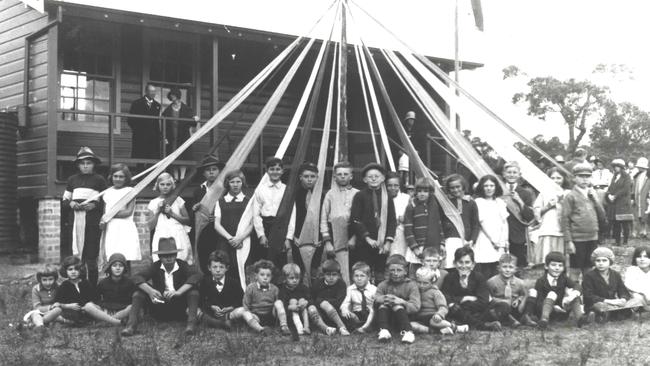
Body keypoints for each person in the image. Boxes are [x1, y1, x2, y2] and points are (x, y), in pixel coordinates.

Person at [121, 237, 202, 336]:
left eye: (171, 255)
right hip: (160, 308)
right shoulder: (156, 266)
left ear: (176, 255)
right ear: (159, 257)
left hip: (180, 307)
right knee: (139, 292)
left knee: (193, 291)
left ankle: (191, 325)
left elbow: (196, 276)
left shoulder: (182, 265)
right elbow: (137, 277)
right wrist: (150, 291)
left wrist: (179, 292)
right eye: (165, 256)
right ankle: (130, 326)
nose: (168, 258)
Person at [62, 147, 107, 286]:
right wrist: (71, 204)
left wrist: (95, 206)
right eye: (82, 163)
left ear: (94, 164)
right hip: (76, 223)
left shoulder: (99, 180)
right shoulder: (72, 180)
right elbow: (64, 201)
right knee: (77, 257)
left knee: (91, 258)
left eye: (89, 163)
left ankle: (92, 287)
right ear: (78, 165)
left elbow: (106, 201)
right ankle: (78, 286)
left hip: (92, 223)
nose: (85, 166)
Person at [350, 163, 397, 283]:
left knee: (380, 273)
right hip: (365, 243)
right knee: (365, 272)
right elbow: (356, 219)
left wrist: (388, 242)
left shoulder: (387, 197)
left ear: (382, 178)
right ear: (365, 179)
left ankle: (379, 297)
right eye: (370, 177)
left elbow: (392, 221)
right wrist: (367, 238)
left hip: (382, 244)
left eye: (377, 176)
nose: (374, 179)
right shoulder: (360, 196)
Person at [561, 163, 607, 282]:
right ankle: (572, 293)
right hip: (577, 239)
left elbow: (602, 215)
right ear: (574, 178)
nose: (585, 179)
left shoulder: (593, 194)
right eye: (581, 176)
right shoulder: (570, 196)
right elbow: (565, 220)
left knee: (590, 267)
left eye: (588, 176)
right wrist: (569, 241)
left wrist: (596, 200)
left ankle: (588, 292)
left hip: (592, 237)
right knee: (575, 269)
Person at [523, 251, 592, 328]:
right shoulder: (541, 281)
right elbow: (538, 302)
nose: (557, 268)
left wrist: (572, 296)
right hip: (545, 310)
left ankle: (580, 319)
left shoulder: (563, 278)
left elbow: (577, 286)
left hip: (561, 312)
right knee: (552, 293)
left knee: (574, 294)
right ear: (546, 266)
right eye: (553, 265)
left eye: (560, 266)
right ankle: (544, 320)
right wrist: (553, 307)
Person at [441, 247, 503, 331]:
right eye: (460, 262)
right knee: (454, 308)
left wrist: (464, 304)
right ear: (455, 263)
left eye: (467, 262)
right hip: (459, 310)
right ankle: (483, 325)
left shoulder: (478, 277)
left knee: (503, 306)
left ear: (473, 264)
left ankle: (467, 322)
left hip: (475, 310)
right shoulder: (450, 277)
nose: (463, 266)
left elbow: (483, 301)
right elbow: (446, 298)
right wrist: (464, 298)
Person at [251, 157, 295, 266]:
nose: (275, 172)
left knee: (279, 263)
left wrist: (288, 238)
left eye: (278, 169)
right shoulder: (260, 189)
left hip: (281, 228)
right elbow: (256, 214)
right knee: (263, 263)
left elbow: (292, 216)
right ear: (267, 171)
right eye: (272, 169)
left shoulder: (287, 190)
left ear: (282, 171)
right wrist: (261, 235)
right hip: (265, 227)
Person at [321, 161, 359, 285]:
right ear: (334, 176)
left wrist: (354, 237)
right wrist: (327, 242)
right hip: (335, 237)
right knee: (338, 270)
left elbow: (361, 219)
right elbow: (323, 219)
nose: (342, 176)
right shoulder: (330, 194)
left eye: (346, 174)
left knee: (354, 269)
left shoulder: (357, 194)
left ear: (351, 176)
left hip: (353, 237)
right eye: (339, 174)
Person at [213, 169, 252, 290]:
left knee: (243, 268)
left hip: (243, 241)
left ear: (243, 183)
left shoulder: (249, 201)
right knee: (225, 268)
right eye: (232, 182)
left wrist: (239, 238)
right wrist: (230, 238)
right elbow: (216, 224)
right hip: (225, 241)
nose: (235, 185)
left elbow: (252, 224)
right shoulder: (220, 202)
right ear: (227, 183)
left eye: (238, 181)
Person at [100, 164, 141, 269]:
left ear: (126, 178)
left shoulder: (130, 191)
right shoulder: (107, 192)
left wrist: (110, 215)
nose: (118, 179)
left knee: (125, 257)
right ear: (111, 176)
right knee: (112, 256)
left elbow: (128, 212)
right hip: (112, 228)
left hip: (124, 227)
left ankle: (127, 282)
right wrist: (103, 221)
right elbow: (105, 212)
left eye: (121, 176)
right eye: (115, 176)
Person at [582, 247, 639, 322]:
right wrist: (608, 301)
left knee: (635, 301)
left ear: (610, 262)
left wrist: (623, 299)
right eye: (598, 260)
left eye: (604, 260)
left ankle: (614, 314)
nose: (601, 263)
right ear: (594, 262)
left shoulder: (615, 274)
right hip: (597, 303)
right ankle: (594, 315)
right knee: (600, 306)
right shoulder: (588, 276)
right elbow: (588, 296)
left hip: (613, 304)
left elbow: (623, 291)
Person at [147, 173, 192, 263]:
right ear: (158, 185)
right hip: (161, 235)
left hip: (177, 234)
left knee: (181, 259)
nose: (165, 187)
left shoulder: (178, 200)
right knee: (161, 261)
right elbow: (150, 226)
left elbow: (187, 220)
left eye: (168, 184)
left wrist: (172, 214)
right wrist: (158, 211)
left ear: (172, 185)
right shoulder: (153, 203)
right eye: (162, 184)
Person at [230, 259, 284, 334]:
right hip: (256, 316)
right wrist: (251, 315)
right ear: (256, 276)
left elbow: (277, 305)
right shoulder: (251, 288)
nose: (265, 278)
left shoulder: (275, 289)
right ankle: (261, 329)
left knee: (279, 302)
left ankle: (284, 326)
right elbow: (246, 305)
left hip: (270, 316)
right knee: (244, 312)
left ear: (271, 277)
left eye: (268, 275)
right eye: (262, 275)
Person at [375, 254, 420, 344]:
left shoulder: (411, 285)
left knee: (397, 305)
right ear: (388, 271)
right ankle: (384, 330)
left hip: (406, 318)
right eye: (392, 270)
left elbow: (415, 307)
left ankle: (408, 332)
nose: (395, 273)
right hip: (388, 318)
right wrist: (386, 298)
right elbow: (376, 299)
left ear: (405, 271)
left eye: (399, 270)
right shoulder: (383, 284)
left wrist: (402, 302)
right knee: (384, 305)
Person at [191, 154, 225, 274]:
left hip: (220, 230)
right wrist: (195, 208)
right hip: (204, 231)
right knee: (205, 258)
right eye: (208, 170)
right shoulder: (198, 190)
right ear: (204, 173)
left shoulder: (224, 189)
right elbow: (193, 214)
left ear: (219, 171)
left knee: (221, 259)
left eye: (214, 169)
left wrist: (217, 218)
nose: (211, 172)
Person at [403, 178, 444, 276]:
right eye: (419, 191)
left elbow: (439, 225)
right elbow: (408, 229)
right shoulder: (411, 206)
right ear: (415, 192)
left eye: (425, 191)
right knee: (416, 273)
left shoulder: (434, 205)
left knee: (433, 272)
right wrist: (415, 248)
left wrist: (442, 243)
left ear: (430, 192)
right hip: (418, 245)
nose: (422, 194)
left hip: (433, 244)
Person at [486, 253, 537, 327]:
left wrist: (519, 299)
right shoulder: (492, 282)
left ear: (515, 269)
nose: (507, 270)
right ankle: (510, 320)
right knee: (497, 309)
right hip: (501, 307)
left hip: (515, 308)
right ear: (499, 268)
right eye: (504, 267)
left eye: (510, 267)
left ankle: (525, 317)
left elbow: (523, 295)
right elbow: (489, 299)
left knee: (531, 293)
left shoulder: (520, 282)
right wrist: (502, 301)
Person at [532, 167, 570, 265]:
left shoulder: (568, 193)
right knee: (548, 256)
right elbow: (537, 211)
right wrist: (548, 206)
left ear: (564, 179)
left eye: (558, 178)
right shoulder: (544, 193)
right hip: (548, 227)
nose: (555, 181)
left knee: (560, 258)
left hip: (562, 229)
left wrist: (562, 203)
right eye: (552, 178)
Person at [473, 175, 509, 279]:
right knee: (485, 266)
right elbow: (482, 223)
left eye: (492, 185)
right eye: (486, 186)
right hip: (485, 237)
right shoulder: (479, 202)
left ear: (496, 187)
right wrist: (493, 240)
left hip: (500, 238)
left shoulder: (500, 202)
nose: (489, 188)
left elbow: (504, 222)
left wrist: (505, 240)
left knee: (498, 266)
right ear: (481, 187)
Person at [441, 174, 479, 270]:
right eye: (452, 188)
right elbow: (441, 222)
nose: (455, 190)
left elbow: (475, 224)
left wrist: (472, 240)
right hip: (449, 240)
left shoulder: (471, 202)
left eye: (458, 187)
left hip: (466, 241)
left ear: (463, 186)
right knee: (450, 266)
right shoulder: (445, 203)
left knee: (464, 266)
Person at [86, 253, 136, 325]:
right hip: (107, 310)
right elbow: (96, 299)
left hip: (122, 311)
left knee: (133, 307)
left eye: (121, 265)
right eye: (114, 265)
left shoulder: (130, 282)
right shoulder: (103, 283)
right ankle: (116, 322)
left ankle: (106, 321)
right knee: (88, 306)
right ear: (110, 267)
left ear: (124, 268)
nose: (117, 268)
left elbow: (133, 301)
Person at [502, 161, 536, 267]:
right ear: (504, 174)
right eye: (509, 172)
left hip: (518, 233)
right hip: (501, 232)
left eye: (514, 172)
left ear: (519, 175)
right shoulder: (498, 190)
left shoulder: (525, 193)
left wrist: (520, 201)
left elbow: (529, 216)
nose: (511, 175)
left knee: (518, 264)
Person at [198, 250, 243, 330]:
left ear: (227, 268)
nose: (218, 270)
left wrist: (231, 307)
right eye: (215, 267)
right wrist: (211, 306)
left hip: (228, 312)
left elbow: (240, 299)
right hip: (211, 312)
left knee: (240, 311)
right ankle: (218, 323)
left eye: (221, 267)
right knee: (193, 311)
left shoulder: (233, 282)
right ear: (209, 268)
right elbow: (201, 300)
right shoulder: (205, 282)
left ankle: (222, 321)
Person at [410, 267, 462, 335]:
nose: (421, 285)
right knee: (411, 325)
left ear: (432, 282)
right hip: (420, 318)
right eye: (419, 282)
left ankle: (454, 327)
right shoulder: (415, 291)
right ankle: (435, 332)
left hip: (433, 317)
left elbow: (443, 307)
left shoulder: (436, 292)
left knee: (433, 322)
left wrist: (439, 314)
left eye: (425, 283)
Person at [307, 253, 350, 336]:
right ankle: (326, 328)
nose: (331, 277)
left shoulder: (341, 284)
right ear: (323, 275)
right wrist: (318, 303)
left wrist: (322, 301)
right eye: (328, 275)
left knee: (324, 303)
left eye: (334, 275)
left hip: (335, 312)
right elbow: (312, 298)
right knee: (311, 308)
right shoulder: (318, 283)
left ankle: (342, 327)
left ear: (339, 275)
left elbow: (339, 302)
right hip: (320, 313)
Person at [54, 256, 98, 325]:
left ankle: (87, 320)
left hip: (86, 309)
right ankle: (75, 321)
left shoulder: (86, 283)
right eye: (70, 269)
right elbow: (57, 303)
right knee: (71, 315)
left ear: (80, 270)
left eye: (76, 269)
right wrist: (68, 306)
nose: (73, 272)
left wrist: (89, 305)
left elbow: (94, 298)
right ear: (65, 271)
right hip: (71, 311)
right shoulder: (64, 285)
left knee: (93, 310)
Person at [161, 88, 199, 161]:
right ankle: (174, 173)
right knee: (171, 157)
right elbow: (164, 125)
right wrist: (164, 137)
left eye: (173, 95)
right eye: (171, 95)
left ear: (177, 96)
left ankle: (182, 173)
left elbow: (192, 122)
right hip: (171, 137)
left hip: (183, 136)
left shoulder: (186, 109)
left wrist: (195, 118)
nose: (172, 97)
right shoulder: (167, 110)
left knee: (183, 156)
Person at [23, 265, 62, 332]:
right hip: (41, 311)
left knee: (58, 310)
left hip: (54, 312)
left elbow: (62, 301)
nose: (48, 282)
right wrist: (50, 307)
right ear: (40, 279)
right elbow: (37, 307)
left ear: (55, 279)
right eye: (44, 280)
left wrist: (58, 304)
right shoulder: (36, 289)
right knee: (34, 314)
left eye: (50, 279)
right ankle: (41, 326)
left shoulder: (58, 287)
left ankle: (36, 323)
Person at [340, 261, 376, 333]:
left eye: (362, 276)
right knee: (346, 315)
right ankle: (359, 326)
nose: (359, 279)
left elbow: (375, 305)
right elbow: (345, 303)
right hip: (357, 314)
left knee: (374, 313)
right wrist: (345, 310)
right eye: (356, 276)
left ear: (368, 277)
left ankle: (365, 327)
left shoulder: (373, 289)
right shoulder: (350, 289)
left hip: (369, 314)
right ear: (352, 277)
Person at [128, 83, 161, 159]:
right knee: (140, 157)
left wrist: (158, 135)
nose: (153, 93)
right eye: (151, 91)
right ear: (146, 92)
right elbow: (130, 120)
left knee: (152, 158)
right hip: (140, 136)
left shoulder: (157, 105)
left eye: (154, 91)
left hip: (153, 137)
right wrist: (138, 130)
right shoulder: (137, 103)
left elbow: (156, 122)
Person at [277, 263, 311, 336]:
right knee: (293, 301)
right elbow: (282, 306)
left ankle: (306, 326)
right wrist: (290, 307)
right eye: (291, 278)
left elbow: (311, 299)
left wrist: (306, 302)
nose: (295, 280)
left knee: (302, 300)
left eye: (297, 278)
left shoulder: (303, 288)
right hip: (290, 315)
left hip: (303, 313)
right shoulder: (283, 290)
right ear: (285, 279)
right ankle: (299, 327)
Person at [607, 158, 633, 245]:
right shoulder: (614, 177)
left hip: (623, 203)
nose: (615, 168)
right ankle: (617, 241)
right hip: (615, 203)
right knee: (616, 223)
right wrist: (609, 194)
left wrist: (615, 196)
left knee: (625, 223)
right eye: (614, 167)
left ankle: (625, 241)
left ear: (621, 167)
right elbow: (610, 188)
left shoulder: (626, 176)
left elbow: (625, 189)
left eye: (617, 166)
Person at [386, 172, 410, 258]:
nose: (393, 188)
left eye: (396, 185)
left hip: (402, 236)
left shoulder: (406, 198)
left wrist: (405, 218)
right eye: (389, 185)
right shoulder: (383, 198)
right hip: (386, 236)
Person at [624, 245, 650, 311]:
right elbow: (630, 285)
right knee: (638, 298)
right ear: (635, 258)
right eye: (639, 256)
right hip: (638, 295)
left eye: (646, 257)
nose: (642, 259)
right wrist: (644, 293)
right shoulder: (631, 270)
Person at [632, 157, 650, 239]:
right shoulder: (637, 176)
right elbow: (634, 187)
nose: (639, 168)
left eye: (640, 167)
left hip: (646, 197)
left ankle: (646, 232)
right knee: (639, 215)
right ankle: (641, 231)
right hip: (638, 197)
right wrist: (632, 197)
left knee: (646, 215)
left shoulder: (648, 176)